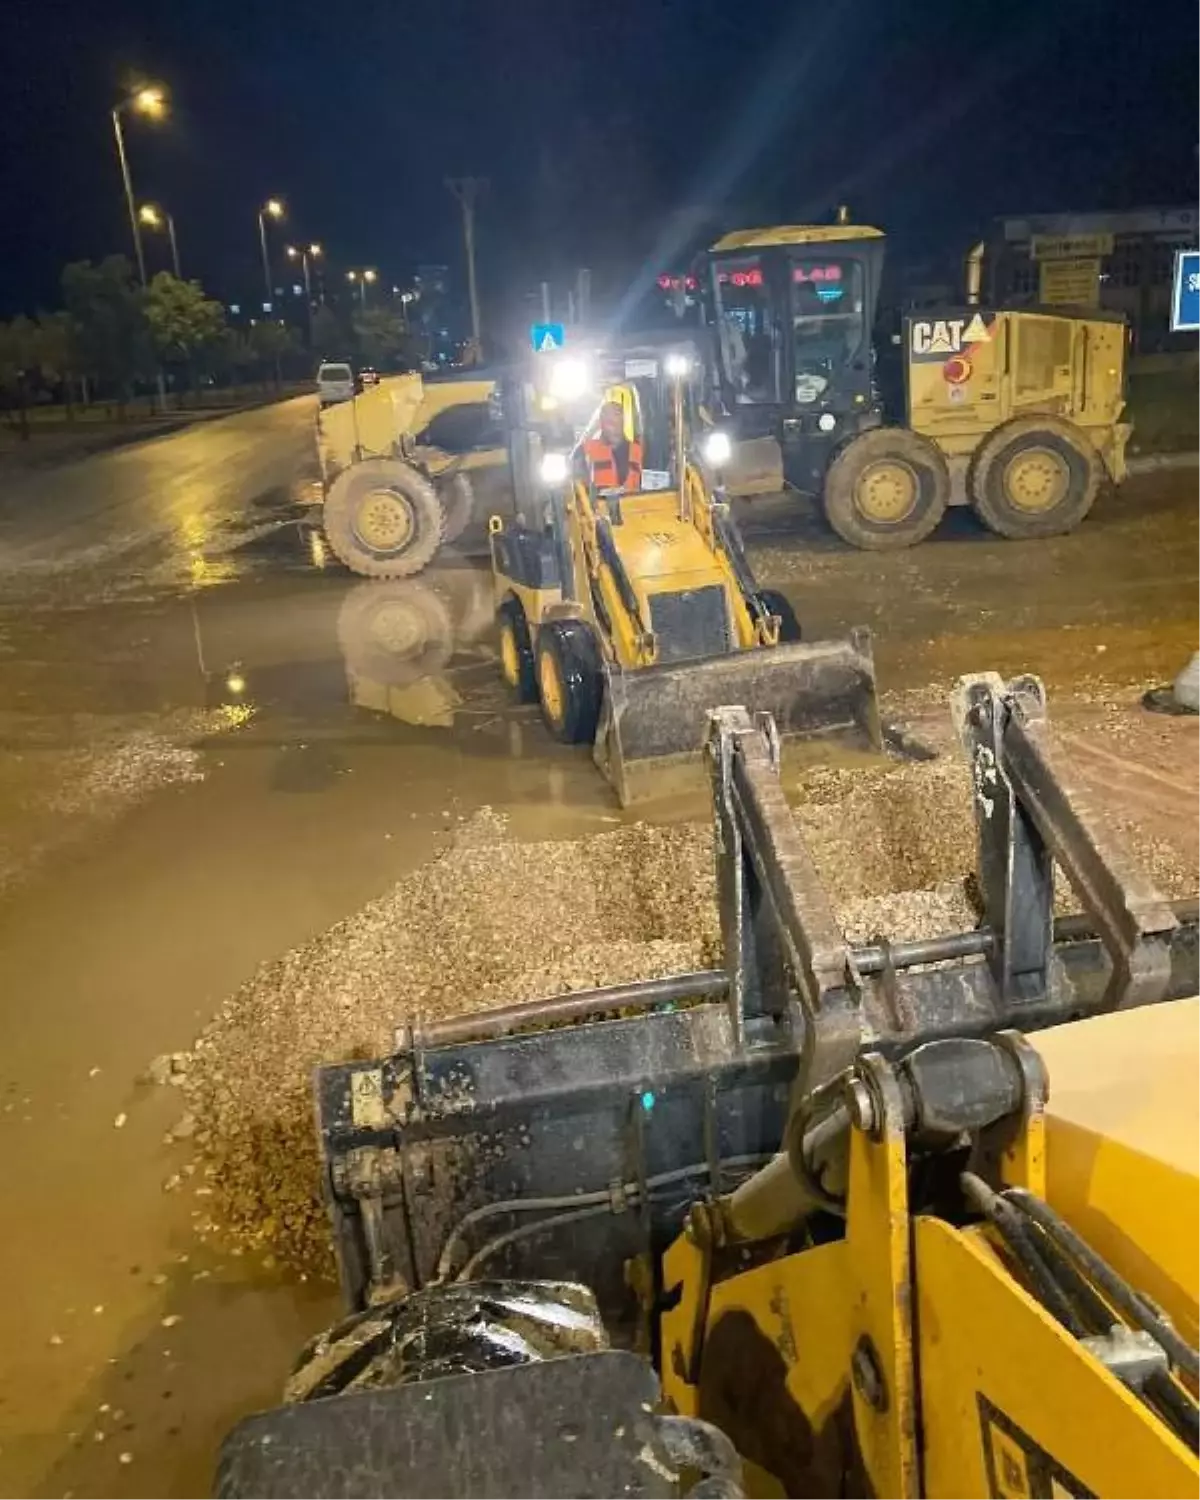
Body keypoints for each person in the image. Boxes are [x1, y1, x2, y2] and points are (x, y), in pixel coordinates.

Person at [583, 401, 643, 492]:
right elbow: (577, 487)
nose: (611, 421)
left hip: (635, 505)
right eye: (606, 417)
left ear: (623, 420)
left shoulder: (638, 450)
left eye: (616, 415)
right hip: (599, 505)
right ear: (600, 422)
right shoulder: (587, 449)